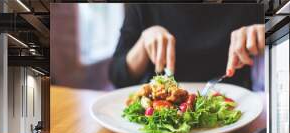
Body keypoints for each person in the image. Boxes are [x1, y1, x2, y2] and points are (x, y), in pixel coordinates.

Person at [109, 4, 265, 89]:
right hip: (157, 115)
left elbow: (285, 29)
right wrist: (143, 43)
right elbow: (117, 76)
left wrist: (271, 33)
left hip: (236, 109)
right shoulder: (143, 6)